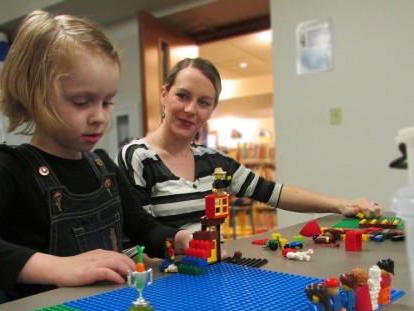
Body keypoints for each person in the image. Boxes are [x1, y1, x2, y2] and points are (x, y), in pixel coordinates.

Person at [0, 10, 191, 300]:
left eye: (107, 102)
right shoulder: (9, 167)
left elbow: (143, 228)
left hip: (112, 307)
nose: (99, 117)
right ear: (34, 96)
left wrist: (178, 239)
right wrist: (58, 268)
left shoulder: (104, 166)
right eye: (81, 102)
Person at [117, 57, 384, 232]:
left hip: (212, 276)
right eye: (182, 96)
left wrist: (341, 204)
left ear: (212, 110)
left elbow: (273, 192)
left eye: (203, 102)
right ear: (164, 95)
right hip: (167, 286)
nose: (190, 109)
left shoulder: (216, 162)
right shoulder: (137, 157)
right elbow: (141, 237)